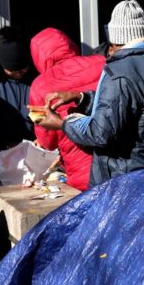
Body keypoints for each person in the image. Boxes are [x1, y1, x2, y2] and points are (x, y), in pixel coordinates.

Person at [36, 0, 144, 187]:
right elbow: (132, 107)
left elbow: (100, 133)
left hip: (120, 177)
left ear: (115, 36)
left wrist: (62, 124)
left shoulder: (120, 71)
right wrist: (82, 97)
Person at [28, 27, 106, 191]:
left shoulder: (38, 87)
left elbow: (47, 142)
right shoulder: (102, 62)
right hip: (117, 162)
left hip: (81, 173)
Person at [0, 27, 37, 184]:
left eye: (22, 68)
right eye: (12, 70)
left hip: (34, 155)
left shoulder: (36, 77)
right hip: (1, 158)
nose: (19, 73)